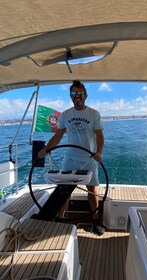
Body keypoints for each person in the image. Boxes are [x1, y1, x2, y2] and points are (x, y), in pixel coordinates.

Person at [38, 80, 105, 235]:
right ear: (70, 96)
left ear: (85, 95)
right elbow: (58, 135)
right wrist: (47, 149)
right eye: (74, 94)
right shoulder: (66, 115)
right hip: (70, 158)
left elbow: (100, 136)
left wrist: (99, 152)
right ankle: (61, 219)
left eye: (80, 93)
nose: (77, 96)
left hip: (89, 158)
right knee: (64, 189)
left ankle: (95, 220)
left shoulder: (94, 114)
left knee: (92, 189)